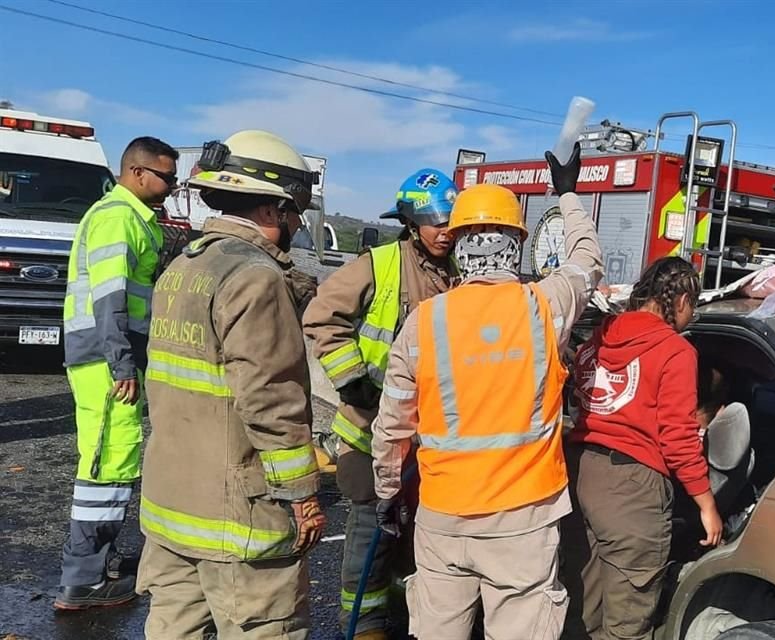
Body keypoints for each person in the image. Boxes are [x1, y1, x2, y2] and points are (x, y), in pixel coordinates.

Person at [371, 143, 603, 640]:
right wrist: (567, 194)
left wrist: (388, 494)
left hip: (444, 515)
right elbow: (588, 259)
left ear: (457, 246)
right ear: (515, 245)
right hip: (525, 518)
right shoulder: (545, 307)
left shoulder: (424, 322)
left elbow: (392, 426)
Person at [135, 130, 325, 638]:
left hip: (172, 503)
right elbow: (269, 398)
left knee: (173, 629)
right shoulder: (255, 277)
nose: (297, 223)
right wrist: (302, 495)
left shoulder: (183, 267)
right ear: (270, 211)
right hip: (237, 516)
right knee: (265, 626)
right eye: (293, 211)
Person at [303, 169, 459, 639]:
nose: (444, 230)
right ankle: (366, 622)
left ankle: (403, 610)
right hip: (372, 433)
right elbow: (321, 317)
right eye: (434, 221)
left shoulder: (463, 273)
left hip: (433, 440)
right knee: (371, 529)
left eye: (451, 219)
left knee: (416, 536)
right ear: (411, 223)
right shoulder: (380, 264)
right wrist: (354, 383)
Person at [562, 256, 724, 640]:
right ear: (681, 300)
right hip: (633, 488)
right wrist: (706, 504)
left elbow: (579, 398)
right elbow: (677, 437)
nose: (692, 316)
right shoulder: (675, 351)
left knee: (580, 605)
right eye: (693, 306)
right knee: (628, 620)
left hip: (578, 473)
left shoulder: (599, 336)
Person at [55, 137, 178, 610]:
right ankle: (83, 580)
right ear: (137, 172)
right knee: (108, 459)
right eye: (165, 177)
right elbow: (110, 299)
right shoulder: (117, 218)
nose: (170, 186)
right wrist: (122, 361)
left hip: (108, 356)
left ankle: (94, 564)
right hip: (107, 359)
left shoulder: (128, 218)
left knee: (112, 456)